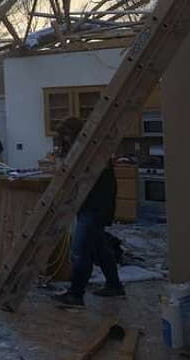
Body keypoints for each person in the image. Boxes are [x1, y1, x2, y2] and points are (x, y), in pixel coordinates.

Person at [52, 117, 125, 307]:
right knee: (99, 247)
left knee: (80, 251)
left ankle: (76, 295)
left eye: (67, 135)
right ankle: (114, 285)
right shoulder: (85, 149)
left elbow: (72, 172)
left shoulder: (92, 150)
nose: (65, 139)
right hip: (90, 204)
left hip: (94, 206)